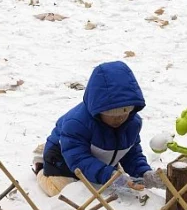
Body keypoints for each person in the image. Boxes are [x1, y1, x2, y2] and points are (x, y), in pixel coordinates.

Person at [35, 61, 163, 196]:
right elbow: (79, 159)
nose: (118, 119)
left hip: (101, 161)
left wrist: (144, 173)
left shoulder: (132, 123)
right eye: (111, 114)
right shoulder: (77, 123)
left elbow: (131, 154)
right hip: (63, 162)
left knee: (114, 190)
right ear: (98, 110)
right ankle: (41, 170)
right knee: (68, 194)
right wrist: (110, 176)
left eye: (124, 112)